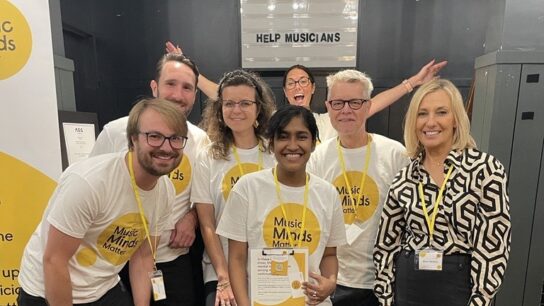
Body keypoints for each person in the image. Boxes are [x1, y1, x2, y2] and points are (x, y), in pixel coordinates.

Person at [17, 98, 186, 306]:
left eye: (175, 138)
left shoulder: (165, 192)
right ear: (133, 139)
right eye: (154, 136)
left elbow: (143, 258)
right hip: (47, 290)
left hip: (102, 288)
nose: (166, 147)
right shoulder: (90, 182)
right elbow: (54, 261)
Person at [373, 79, 511, 306]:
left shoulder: (484, 170)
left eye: (441, 112)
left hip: (460, 290)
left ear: (455, 118)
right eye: (422, 114)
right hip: (409, 289)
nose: (430, 122)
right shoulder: (405, 178)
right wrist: (386, 298)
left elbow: (494, 245)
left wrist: (480, 300)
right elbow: (385, 246)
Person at [89, 53, 208, 305]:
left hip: (174, 257)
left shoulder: (200, 141)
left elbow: (206, 195)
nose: (178, 94)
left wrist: (192, 218)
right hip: (117, 258)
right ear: (154, 87)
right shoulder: (115, 132)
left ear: (195, 95)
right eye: (170, 83)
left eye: (187, 87)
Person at [165, 41, 446, 141]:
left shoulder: (331, 119)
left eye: (303, 81)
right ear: (285, 91)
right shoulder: (270, 120)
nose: (297, 86)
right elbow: (225, 96)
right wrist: (189, 71)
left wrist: (412, 83)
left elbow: (372, 104)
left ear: (312, 88)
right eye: (291, 83)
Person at [217, 105, 347, 306]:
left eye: (301, 136)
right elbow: (236, 258)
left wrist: (330, 283)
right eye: (283, 137)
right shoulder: (247, 188)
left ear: (313, 143)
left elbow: (329, 255)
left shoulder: (328, 194)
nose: (292, 145)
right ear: (272, 144)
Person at [306, 70, 409, 306]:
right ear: (328, 106)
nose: (346, 110)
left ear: (368, 105)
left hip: (382, 280)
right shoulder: (317, 158)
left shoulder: (395, 154)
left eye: (355, 102)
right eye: (338, 102)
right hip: (332, 281)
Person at [190, 70, 276, 306]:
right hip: (222, 269)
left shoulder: (274, 153)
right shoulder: (208, 156)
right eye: (229, 103)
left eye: (245, 103)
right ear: (220, 110)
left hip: (268, 269)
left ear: (258, 108)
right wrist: (224, 277)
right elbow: (207, 223)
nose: (236, 110)